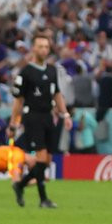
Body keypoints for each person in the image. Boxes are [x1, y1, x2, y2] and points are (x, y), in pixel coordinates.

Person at [9, 31, 72, 208]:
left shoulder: (52, 71)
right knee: (42, 158)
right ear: (34, 49)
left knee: (47, 161)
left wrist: (65, 114)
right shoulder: (26, 72)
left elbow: (57, 94)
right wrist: (14, 123)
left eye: (46, 47)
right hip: (32, 117)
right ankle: (43, 199)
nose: (44, 50)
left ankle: (20, 185)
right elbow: (18, 101)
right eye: (40, 47)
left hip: (48, 117)